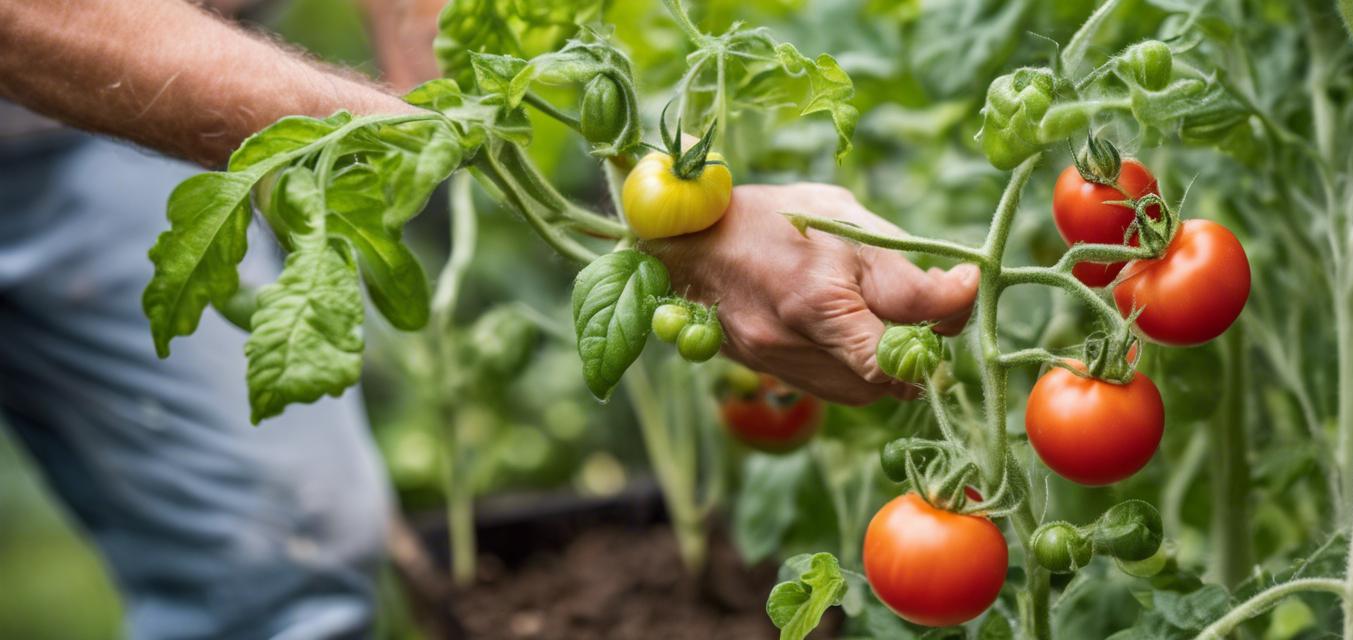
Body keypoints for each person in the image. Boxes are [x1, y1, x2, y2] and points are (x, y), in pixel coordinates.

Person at [0, 0, 979, 637]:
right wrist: (441, 139)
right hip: (90, 60)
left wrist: (455, 78)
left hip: (116, 127)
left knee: (286, 559)